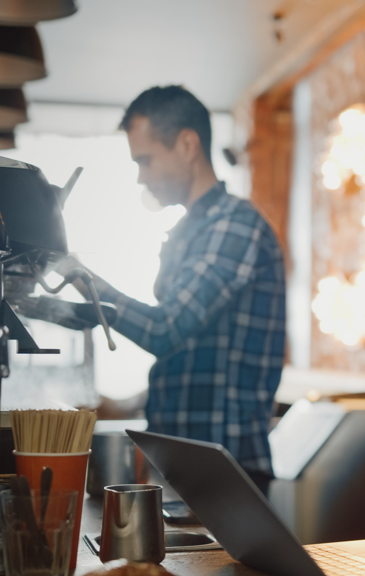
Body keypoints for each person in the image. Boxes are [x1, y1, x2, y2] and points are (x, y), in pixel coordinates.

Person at [70, 86, 285, 493]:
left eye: (145, 160)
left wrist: (81, 277)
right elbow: (195, 357)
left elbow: (166, 330)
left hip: (226, 466)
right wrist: (132, 401)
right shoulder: (191, 232)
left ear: (187, 144)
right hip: (185, 460)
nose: (141, 176)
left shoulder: (233, 225)